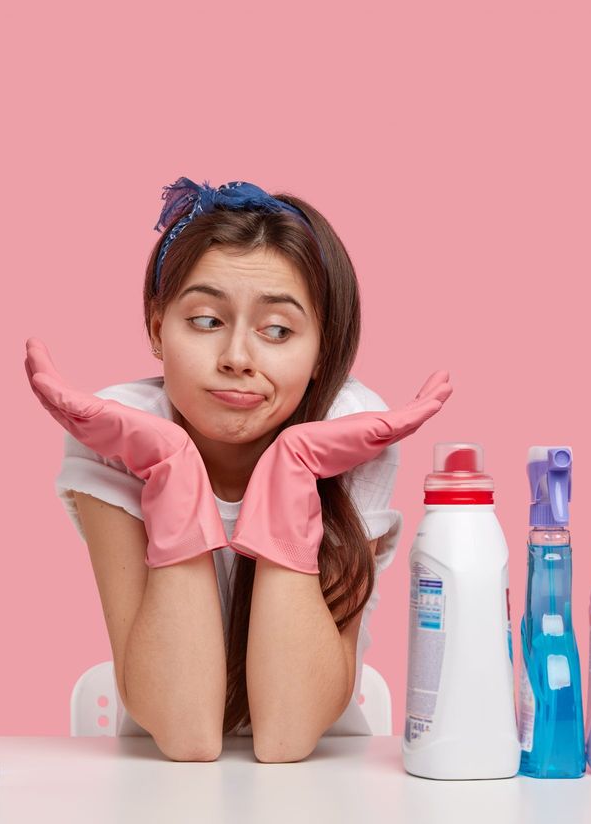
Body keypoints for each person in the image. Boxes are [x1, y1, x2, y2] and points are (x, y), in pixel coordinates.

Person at [25, 177, 452, 763]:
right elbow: (187, 734)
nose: (237, 358)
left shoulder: (352, 429)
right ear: (156, 329)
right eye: (205, 321)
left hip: (330, 786)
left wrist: (293, 472)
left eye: (277, 331)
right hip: (157, 786)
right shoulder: (114, 434)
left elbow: (286, 735)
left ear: (321, 350)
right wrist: (171, 468)